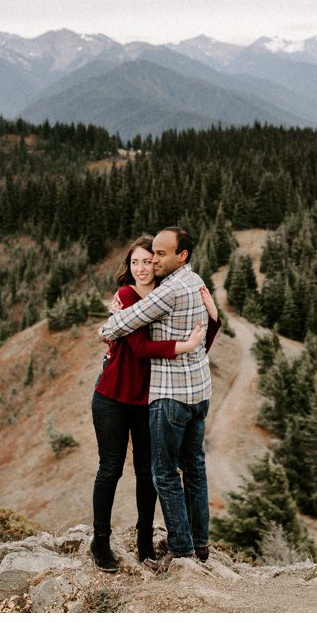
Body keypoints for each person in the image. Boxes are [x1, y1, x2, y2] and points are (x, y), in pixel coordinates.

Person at [88, 235, 218, 570]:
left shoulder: (164, 294)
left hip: (148, 399)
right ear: (128, 267)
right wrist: (185, 346)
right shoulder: (128, 295)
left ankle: (144, 543)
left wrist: (213, 321)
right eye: (136, 262)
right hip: (113, 397)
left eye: (150, 260)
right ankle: (100, 542)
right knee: (110, 470)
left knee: (148, 474)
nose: (143, 267)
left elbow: (200, 333)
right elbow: (140, 348)